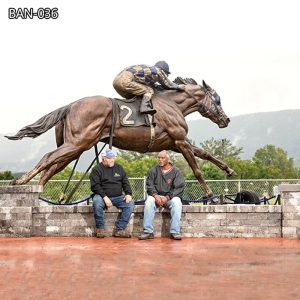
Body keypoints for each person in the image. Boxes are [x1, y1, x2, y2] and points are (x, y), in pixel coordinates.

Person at [139, 150, 185, 240]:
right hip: (156, 196)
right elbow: (149, 185)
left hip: (170, 198)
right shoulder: (153, 170)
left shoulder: (176, 171)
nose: (160, 159)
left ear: (168, 158)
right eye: (159, 158)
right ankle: (148, 231)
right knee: (149, 201)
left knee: (177, 202)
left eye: (163, 158)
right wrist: (155, 196)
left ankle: (175, 232)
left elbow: (178, 188)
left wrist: (167, 197)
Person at [90, 149, 134, 238]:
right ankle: (100, 229)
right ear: (103, 158)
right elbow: (95, 186)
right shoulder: (96, 169)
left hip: (118, 197)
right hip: (102, 196)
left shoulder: (119, 168)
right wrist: (105, 197)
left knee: (130, 203)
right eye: (110, 158)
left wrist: (128, 193)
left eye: (113, 157)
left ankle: (120, 230)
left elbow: (125, 182)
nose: (112, 160)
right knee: (97, 202)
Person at [113, 61, 185, 115]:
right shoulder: (158, 71)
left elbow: (153, 85)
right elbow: (168, 84)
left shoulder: (149, 70)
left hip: (116, 81)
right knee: (149, 91)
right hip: (126, 81)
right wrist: (179, 87)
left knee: (136, 95)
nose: (166, 76)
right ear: (164, 70)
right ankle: (144, 107)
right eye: (166, 74)